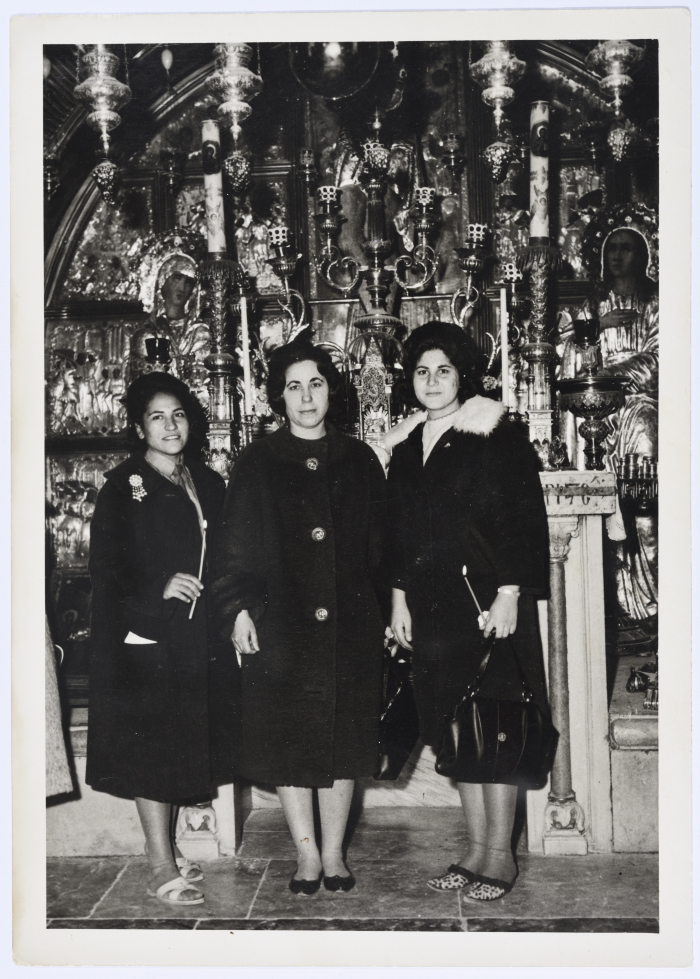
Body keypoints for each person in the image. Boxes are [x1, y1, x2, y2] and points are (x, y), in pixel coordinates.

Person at [210, 341, 387, 895]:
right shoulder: (258, 461)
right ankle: (306, 855)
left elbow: (382, 547)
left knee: (341, 742)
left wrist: (386, 609)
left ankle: (334, 853)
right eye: (293, 385)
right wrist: (237, 610)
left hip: (350, 627)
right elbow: (232, 546)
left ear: (332, 389)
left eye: (316, 383)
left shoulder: (359, 459)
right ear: (277, 396)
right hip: (281, 626)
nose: (306, 396)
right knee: (291, 740)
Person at [384, 321, 550, 903]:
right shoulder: (404, 445)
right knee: (456, 731)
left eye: (444, 371)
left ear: (463, 375)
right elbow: (397, 534)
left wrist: (510, 591)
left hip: (484, 605)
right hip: (430, 610)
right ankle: (475, 850)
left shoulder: (493, 432)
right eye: (421, 371)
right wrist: (398, 598)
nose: (432, 382)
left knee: (495, 730)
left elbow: (522, 516)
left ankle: (500, 857)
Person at [86, 372, 228, 907]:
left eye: (179, 414)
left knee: (179, 743)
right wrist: (159, 587)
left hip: (193, 639)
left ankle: (169, 849)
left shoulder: (207, 481)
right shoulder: (123, 486)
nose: (170, 426)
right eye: (156, 416)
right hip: (145, 635)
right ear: (137, 425)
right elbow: (106, 570)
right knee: (152, 749)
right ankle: (160, 861)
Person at [561, 212, 658, 651]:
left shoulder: (657, 305)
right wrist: (596, 328)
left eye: (627, 247)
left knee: (643, 447)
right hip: (595, 412)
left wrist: (612, 377)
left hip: (640, 406)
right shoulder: (588, 311)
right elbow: (570, 361)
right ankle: (613, 603)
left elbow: (658, 360)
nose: (618, 256)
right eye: (611, 249)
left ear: (645, 255)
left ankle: (653, 601)